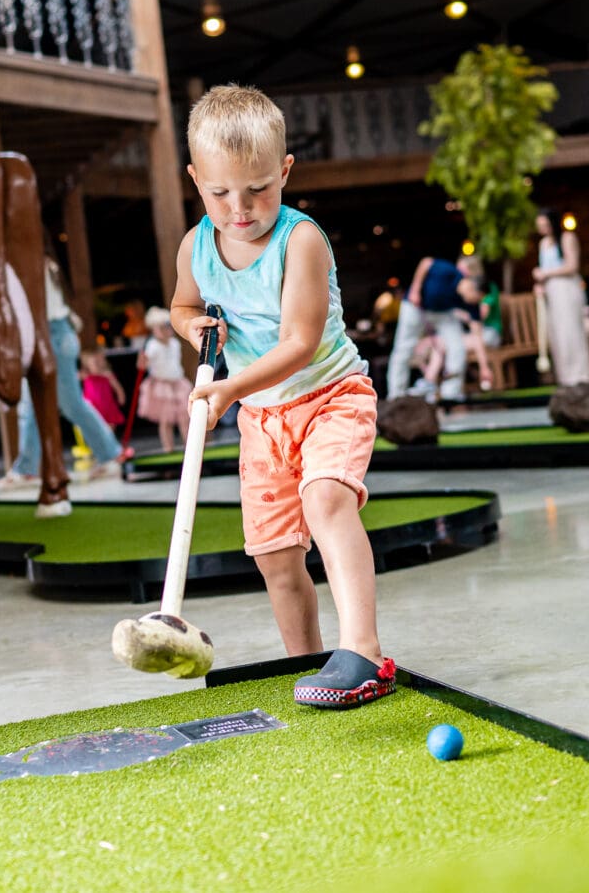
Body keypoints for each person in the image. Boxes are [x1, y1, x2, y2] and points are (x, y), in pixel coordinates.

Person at [174, 83, 393, 708]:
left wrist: (226, 389)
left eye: (259, 189)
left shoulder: (301, 241)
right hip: (263, 418)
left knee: (326, 500)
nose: (240, 209)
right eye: (220, 193)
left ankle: (364, 653)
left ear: (286, 171)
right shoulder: (196, 246)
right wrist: (192, 326)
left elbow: (299, 343)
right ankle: (311, 665)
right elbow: (182, 305)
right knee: (274, 554)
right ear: (196, 180)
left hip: (330, 395)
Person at [0, 258, 131, 489]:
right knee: (33, 405)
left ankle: (110, 454)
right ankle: (26, 469)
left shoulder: (33, 262)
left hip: (53, 333)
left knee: (70, 404)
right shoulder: (43, 262)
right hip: (53, 332)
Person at [386, 253, 485, 402]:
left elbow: (477, 334)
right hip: (415, 306)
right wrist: (415, 290)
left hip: (442, 312)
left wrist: (484, 366)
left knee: (457, 346)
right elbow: (426, 262)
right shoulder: (448, 271)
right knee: (403, 348)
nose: (474, 301)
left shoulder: (470, 303)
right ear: (470, 284)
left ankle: (451, 394)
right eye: (476, 297)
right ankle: (396, 394)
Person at [533, 209, 589, 386]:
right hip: (551, 292)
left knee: (571, 331)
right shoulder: (543, 243)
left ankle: (580, 376)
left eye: (545, 224)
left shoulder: (567, 238)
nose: (542, 228)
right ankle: (565, 377)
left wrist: (546, 273)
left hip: (567, 288)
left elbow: (572, 266)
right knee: (557, 332)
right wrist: (540, 283)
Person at [137, 307, 193, 452]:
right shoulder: (152, 346)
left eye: (167, 326)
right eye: (160, 328)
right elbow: (143, 365)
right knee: (166, 419)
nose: (164, 330)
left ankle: (190, 447)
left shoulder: (174, 343)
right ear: (153, 330)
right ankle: (168, 448)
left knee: (185, 416)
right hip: (162, 385)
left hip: (178, 382)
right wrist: (142, 360)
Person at [79, 347, 126, 431]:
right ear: (88, 365)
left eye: (101, 361)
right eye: (95, 363)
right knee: (94, 428)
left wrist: (121, 396)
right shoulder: (86, 376)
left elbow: (117, 387)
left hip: (107, 407)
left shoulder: (107, 375)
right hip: (92, 408)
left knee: (109, 429)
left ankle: (109, 438)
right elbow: (73, 378)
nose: (99, 365)